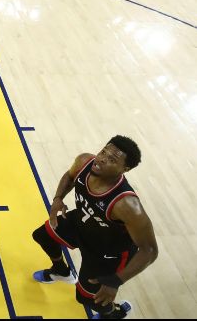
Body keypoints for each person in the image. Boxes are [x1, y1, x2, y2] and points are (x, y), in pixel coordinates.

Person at [31, 137, 158, 319]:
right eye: (103, 152)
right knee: (42, 235)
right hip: (82, 224)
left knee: (89, 299)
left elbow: (150, 250)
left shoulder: (127, 205)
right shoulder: (85, 162)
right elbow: (69, 176)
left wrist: (116, 281)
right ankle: (61, 271)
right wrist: (58, 198)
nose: (102, 159)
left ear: (125, 169)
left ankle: (115, 314)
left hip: (107, 253)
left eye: (112, 160)